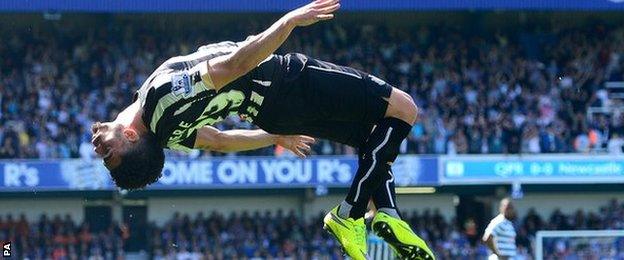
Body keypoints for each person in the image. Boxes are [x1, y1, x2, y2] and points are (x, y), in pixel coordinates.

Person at [91, 0, 434, 259]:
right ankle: (350, 214)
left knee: (370, 136)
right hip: (288, 83)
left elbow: (222, 141)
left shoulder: (168, 134)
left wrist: (274, 135)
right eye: (108, 152)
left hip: (273, 115)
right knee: (404, 108)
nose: (97, 146)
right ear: (131, 136)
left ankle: (386, 213)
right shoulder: (163, 97)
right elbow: (235, 64)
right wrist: (289, 21)